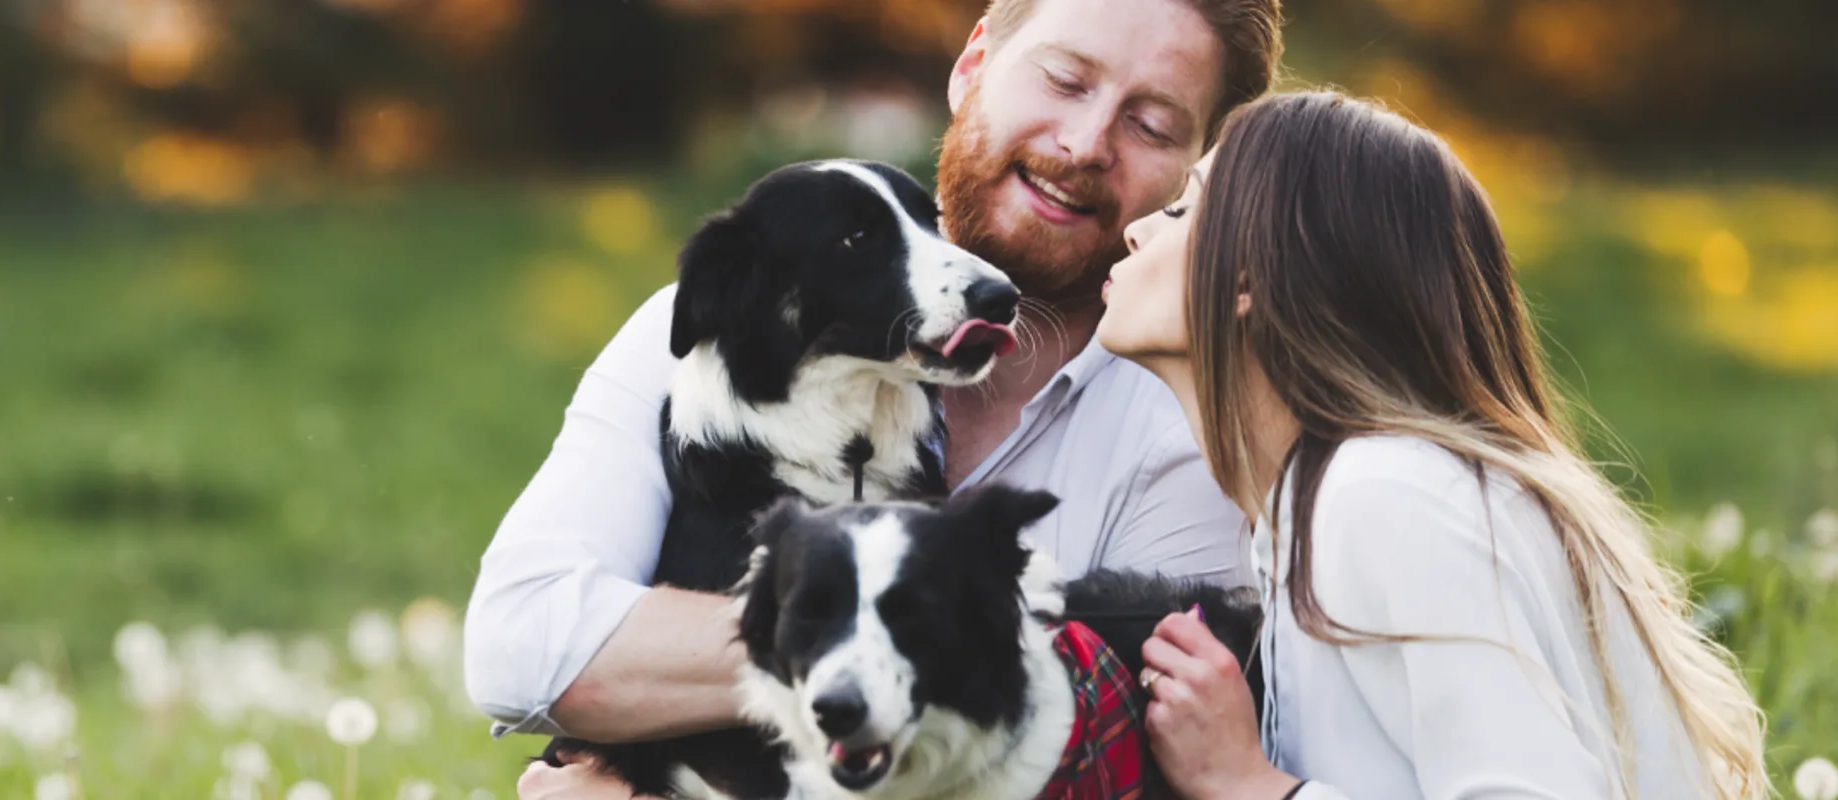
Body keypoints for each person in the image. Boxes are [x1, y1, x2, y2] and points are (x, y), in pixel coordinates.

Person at [470, 0, 1285, 794]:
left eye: (1151, 126)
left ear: (1204, 171)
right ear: (972, 67)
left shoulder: (1190, 433)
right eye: (1066, 80)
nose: (1084, 144)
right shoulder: (716, 327)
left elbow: (1133, 767)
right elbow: (525, 649)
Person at [1100, 91, 1769, 799]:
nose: (1139, 230)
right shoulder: (1345, 499)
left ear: (1247, 278)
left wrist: (1245, 783)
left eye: (1182, 211)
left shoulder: (1380, 497)